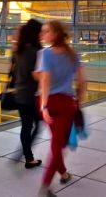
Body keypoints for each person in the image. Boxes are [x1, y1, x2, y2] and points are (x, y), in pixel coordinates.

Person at [37, 21, 86, 197]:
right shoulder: (74, 55)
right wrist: (78, 99)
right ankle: (45, 186)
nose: (42, 34)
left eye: (46, 31)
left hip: (48, 103)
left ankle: (63, 174)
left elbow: (45, 80)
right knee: (58, 145)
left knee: (55, 144)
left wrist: (43, 106)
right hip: (66, 104)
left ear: (56, 34)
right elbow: (82, 82)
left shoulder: (45, 54)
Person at [12, 19, 43, 169]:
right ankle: (27, 155)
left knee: (27, 126)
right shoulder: (36, 52)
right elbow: (36, 75)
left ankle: (26, 154)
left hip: (19, 94)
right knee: (36, 125)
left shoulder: (18, 51)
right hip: (31, 96)